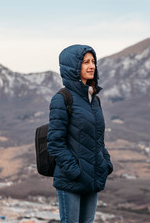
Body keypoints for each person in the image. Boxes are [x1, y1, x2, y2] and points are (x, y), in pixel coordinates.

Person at [47, 45, 113, 223]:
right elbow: (55, 142)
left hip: (93, 179)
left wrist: (105, 163)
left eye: (93, 62)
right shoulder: (62, 99)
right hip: (71, 181)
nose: (91, 66)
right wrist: (75, 171)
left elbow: (98, 140)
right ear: (73, 67)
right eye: (85, 62)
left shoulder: (94, 99)